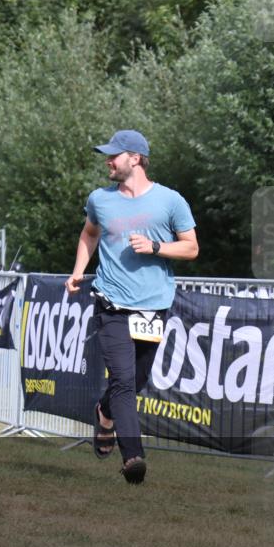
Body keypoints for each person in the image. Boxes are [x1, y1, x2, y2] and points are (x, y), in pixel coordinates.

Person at [66, 130, 198, 485]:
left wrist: (156, 247)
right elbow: (89, 233)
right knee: (123, 381)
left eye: (114, 155)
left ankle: (104, 412)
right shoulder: (100, 199)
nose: (107, 161)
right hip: (111, 304)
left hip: (154, 309)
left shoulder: (171, 201)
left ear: (136, 158)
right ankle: (133, 457)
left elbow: (190, 248)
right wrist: (79, 271)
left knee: (137, 379)